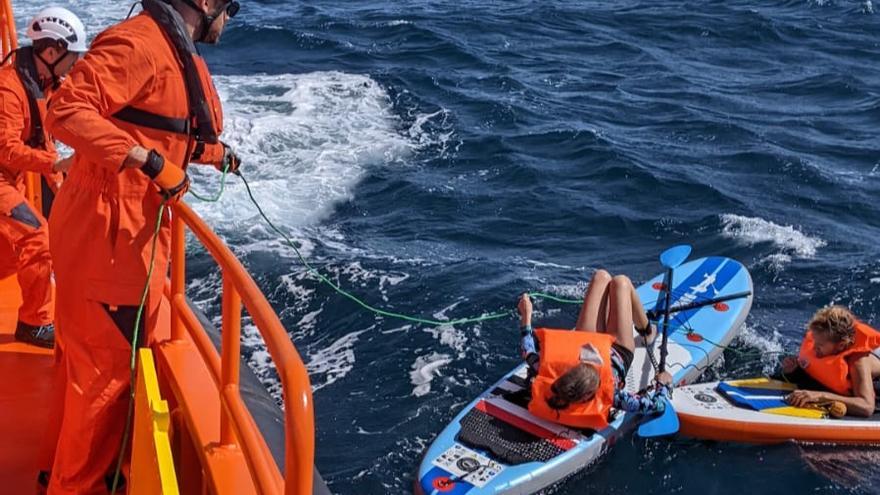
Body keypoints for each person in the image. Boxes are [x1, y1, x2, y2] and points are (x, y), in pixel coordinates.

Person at [43, 0, 240, 492]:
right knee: (102, 383)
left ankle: (72, 470)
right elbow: (65, 112)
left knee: (94, 370)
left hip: (128, 239)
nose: (232, 18)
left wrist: (215, 154)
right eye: (232, 6)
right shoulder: (139, 43)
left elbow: (162, 123)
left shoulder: (173, 52)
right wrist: (150, 164)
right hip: (108, 242)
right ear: (207, 4)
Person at [0, 6, 86, 348]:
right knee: (36, 236)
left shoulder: (41, 82)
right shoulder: (8, 89)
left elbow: (46, 131)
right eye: (73, 57)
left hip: (12, 178)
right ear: (51, 52)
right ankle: (34, 324)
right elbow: (5, 149)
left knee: (10, 252)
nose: (76, 64)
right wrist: (54, 168)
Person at [518, 269, 671, 430]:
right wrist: (665, 384)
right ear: (588, 393)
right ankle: (647, 332)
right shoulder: (611, 394)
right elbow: (657, 405)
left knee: (601, 276)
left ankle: (619, 317)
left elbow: (527, 350)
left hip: (586, 342)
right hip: (619, 350)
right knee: (621, 282)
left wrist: (526, 316)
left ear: (566, 373)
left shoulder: (548, 375)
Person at [782, 305, 880, 418]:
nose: (814, 349)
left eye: (819, 346)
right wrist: (794, 370)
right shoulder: (824, 345)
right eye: (814, 342)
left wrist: (821, 396)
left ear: (840, 345)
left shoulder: (858, 361)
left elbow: (867, 406)